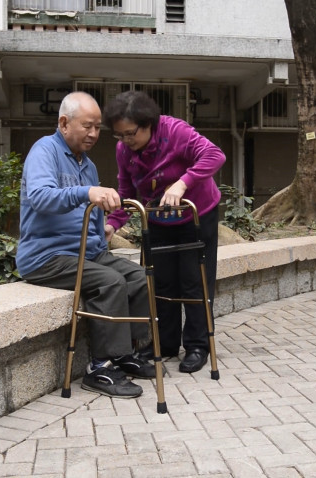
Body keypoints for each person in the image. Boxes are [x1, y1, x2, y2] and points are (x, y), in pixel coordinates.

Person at [16, 91, 155, 399]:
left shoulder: (87, 165)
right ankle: (100, 367)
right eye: (87, 126)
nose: (94, 134)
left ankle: (125, 353)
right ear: (64, 123)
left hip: (86, 252)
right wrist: (86, 192)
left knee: (139, 276)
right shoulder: (45, 151)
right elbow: (40, 197)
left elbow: (91, 211)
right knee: (110, 282)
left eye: (97, 128)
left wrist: (102, 232)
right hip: (47, 257)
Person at [103, 90, 226, 374]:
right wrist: (113, 223)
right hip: (157, 218)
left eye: (131, 134)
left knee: (195, 281)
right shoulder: (125, 150)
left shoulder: (176, 132)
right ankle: (166, 343)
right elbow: (126, 191)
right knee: (161, 283)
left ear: (149, 124)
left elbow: (214, 155)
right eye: (119, 135)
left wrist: (183, 183)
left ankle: (197, 345)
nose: (125, 141)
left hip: (197, 214)